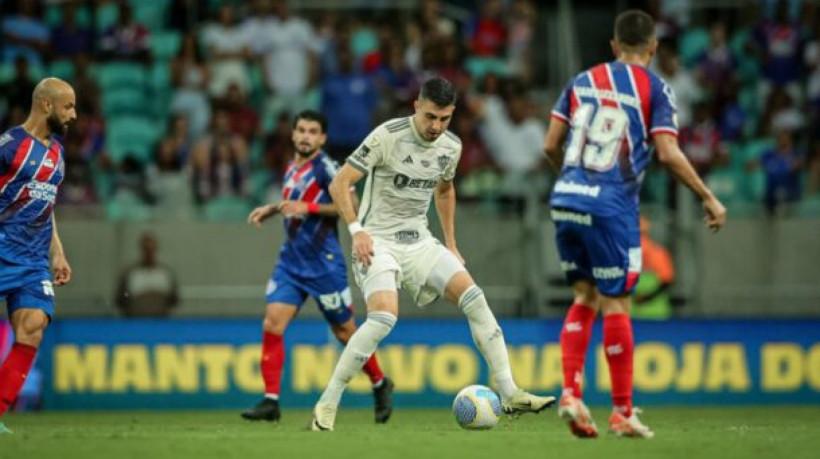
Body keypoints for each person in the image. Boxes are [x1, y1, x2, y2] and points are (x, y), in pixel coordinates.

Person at [309, 77, 555, 432]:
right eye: (430, 117)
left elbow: (444, 190)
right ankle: (328, 403)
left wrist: (451, 243)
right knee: (383, 319)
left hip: (420, 242)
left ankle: (509, 391)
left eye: (444, 119)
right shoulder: (387, 136)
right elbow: (339, 183)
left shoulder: (450, 146)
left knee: (475, 298)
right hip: (378, 241)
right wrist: (357, 231)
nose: (436, 127)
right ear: (416, 107)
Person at [543, 10, 727, 439]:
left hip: (566, 198)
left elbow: (550, 144)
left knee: (584, 295)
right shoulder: (655, 87)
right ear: (654, 47)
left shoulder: (581, 80)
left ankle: (571, 392)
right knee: (616, 303)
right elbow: (668, 151)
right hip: (612, 204)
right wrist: (707, 196)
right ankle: (622, 412)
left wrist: (572, 181)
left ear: (613, 45)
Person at [241, 110, 393, 424]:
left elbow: (349, 207)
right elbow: (292, 203)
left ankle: (379, 382)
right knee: (272, 323)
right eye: (301, 130)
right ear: (294, 134)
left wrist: (308, 207)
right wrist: (272, 209)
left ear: (322, 138)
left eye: (313, 131)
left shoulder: (327, 168)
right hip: (291, 264)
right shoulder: (292, 166)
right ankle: (271, 401)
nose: (305, 136)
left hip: (324, 266)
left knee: (346, 333)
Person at [0, 78, 76, 434]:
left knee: (32, 329)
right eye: (68, 107)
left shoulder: (58, 152)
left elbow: (47, 203)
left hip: (33, 261)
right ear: (47, 105)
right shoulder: (10, 145)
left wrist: (57, 252)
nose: (74, 115)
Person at [115, 233, 179, 318]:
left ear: (156, 249)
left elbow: (174, 299)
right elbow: (120, 298)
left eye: (151, 249)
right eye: (146, 249)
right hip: (135, 321)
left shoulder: (165, 273)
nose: (149, 253)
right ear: (141, 249)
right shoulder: (130, 273)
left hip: (161, 322)